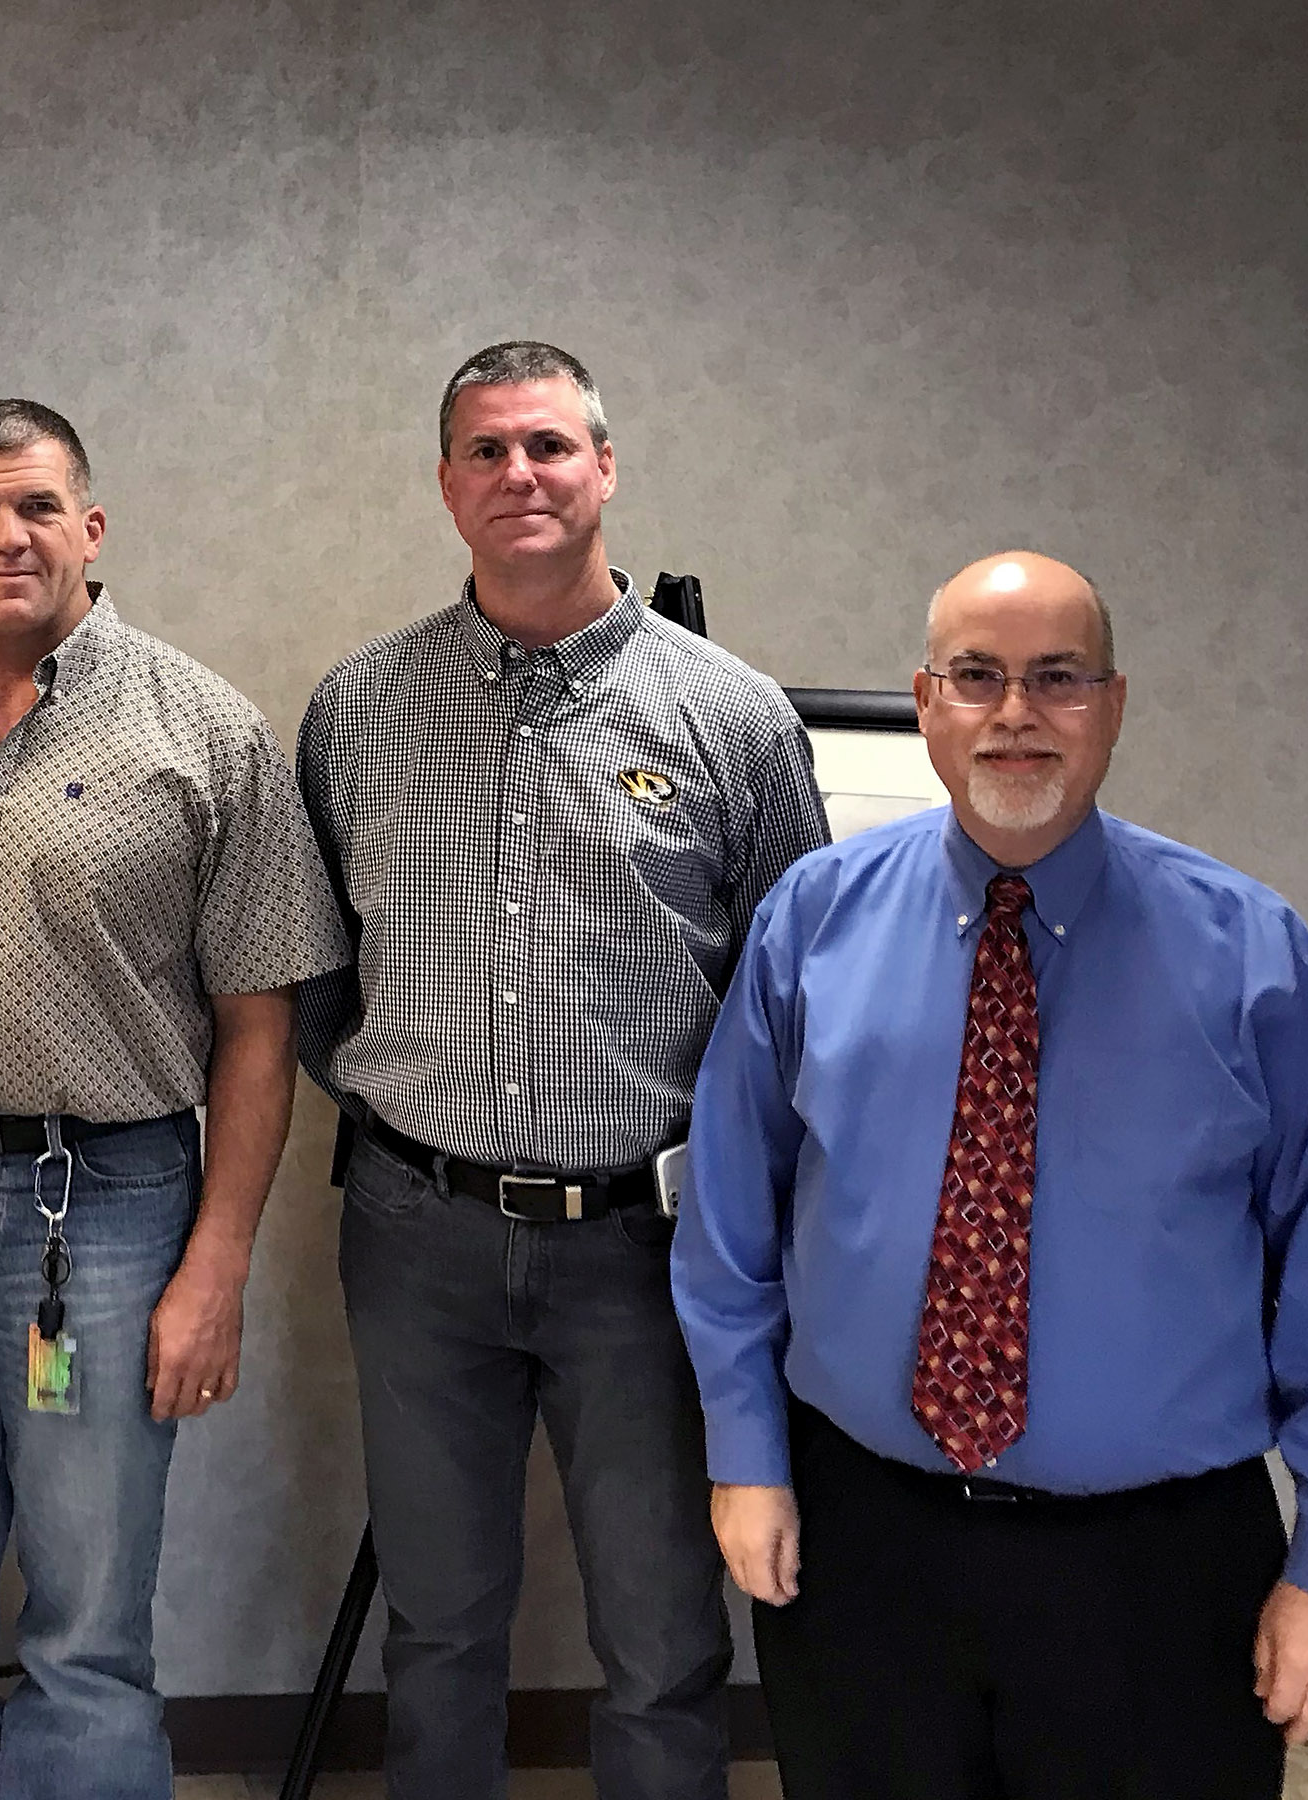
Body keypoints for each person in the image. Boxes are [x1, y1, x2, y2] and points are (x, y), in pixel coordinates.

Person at [674, 552, 1308, 1798]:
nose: (1014, 712)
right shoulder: (811, 922)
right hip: (865, 1543)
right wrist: (745, 1455)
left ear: (1111, 707)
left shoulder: (1252, 959)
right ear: (924, 703)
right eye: (976, 676)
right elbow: (730, 1218)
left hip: (1155, 1565)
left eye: (1056, 678)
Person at [0, 399, 342, 1800]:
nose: (7, 534)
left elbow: (260, 1026)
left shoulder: (205, 730)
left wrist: (214, 1267)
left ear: (91, 527)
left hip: (107, 1207)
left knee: (89, 1618)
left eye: (36, 506)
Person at [295, 341, 828, 1800]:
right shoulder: (358, 710)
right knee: (440, 1624)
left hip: (650, 1252)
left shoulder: (730, 717)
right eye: (486, 452)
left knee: (662, 1639)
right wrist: (421, 1114)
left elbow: (795, 999)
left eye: (547, 446)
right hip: (419, 1238)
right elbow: (317, 975)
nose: (518, 475)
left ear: (605, 468)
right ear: (447, 487)